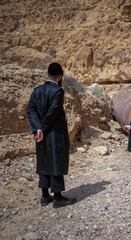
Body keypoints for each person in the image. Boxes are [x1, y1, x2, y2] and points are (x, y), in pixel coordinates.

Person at [26, 62, 76, 208]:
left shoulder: (37, 90)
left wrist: (37, 129)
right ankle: (58, 197)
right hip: (54, 133)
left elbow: (30, 110)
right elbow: (53, 112)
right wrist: (42, 128)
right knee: (56, 162)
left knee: (43, 161)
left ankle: (45, 195)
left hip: (41, 134)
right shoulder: (58, 92)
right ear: (60, 76)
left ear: (48, 74)